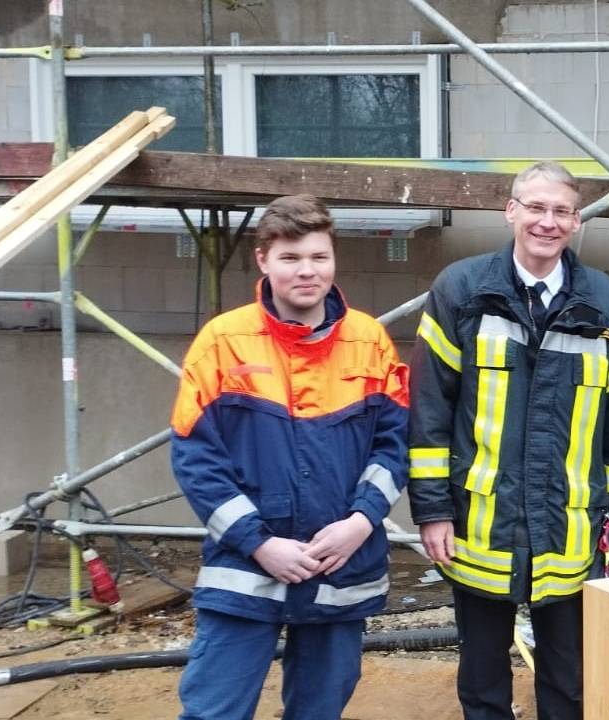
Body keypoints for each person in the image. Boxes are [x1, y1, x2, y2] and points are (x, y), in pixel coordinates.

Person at [408, 161, 609, 720]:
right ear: (510, 211)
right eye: (536, 207)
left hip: (572, 529)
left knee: (570, 677)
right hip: (481, 523)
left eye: (562, 210)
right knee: (484, 675)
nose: (548, 221)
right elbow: (428, 412)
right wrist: (433, 510)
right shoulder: (462, 291)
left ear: (577, 222)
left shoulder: (605, 305)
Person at [171, 194, 409, 720]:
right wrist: (258, 543)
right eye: (290, 258)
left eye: (318, 257)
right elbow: (196, 459)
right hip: (246, 569)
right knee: (214, 710)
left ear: (334, 259)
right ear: (263, 260)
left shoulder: (370, 341)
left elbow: (393, 446)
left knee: (320, 709)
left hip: (340, 564)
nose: (307, 271)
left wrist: (360, 522)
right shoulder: (223, 343)